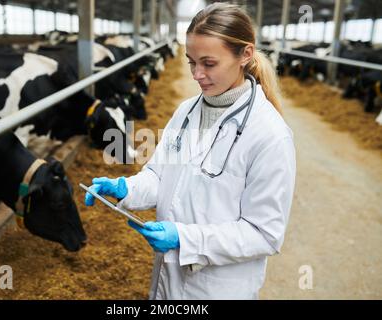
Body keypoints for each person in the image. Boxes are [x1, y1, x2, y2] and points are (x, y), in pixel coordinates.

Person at [84, 2, 296, 300]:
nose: (197, 74)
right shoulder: (186, 111)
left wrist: (184, 238)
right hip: (167, 279)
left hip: (218, 288)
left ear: (245, 55)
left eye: (209, 64)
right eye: (191, 62)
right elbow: (160, 175)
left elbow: (264, 234)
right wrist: (126, 189)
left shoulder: (270, 135)